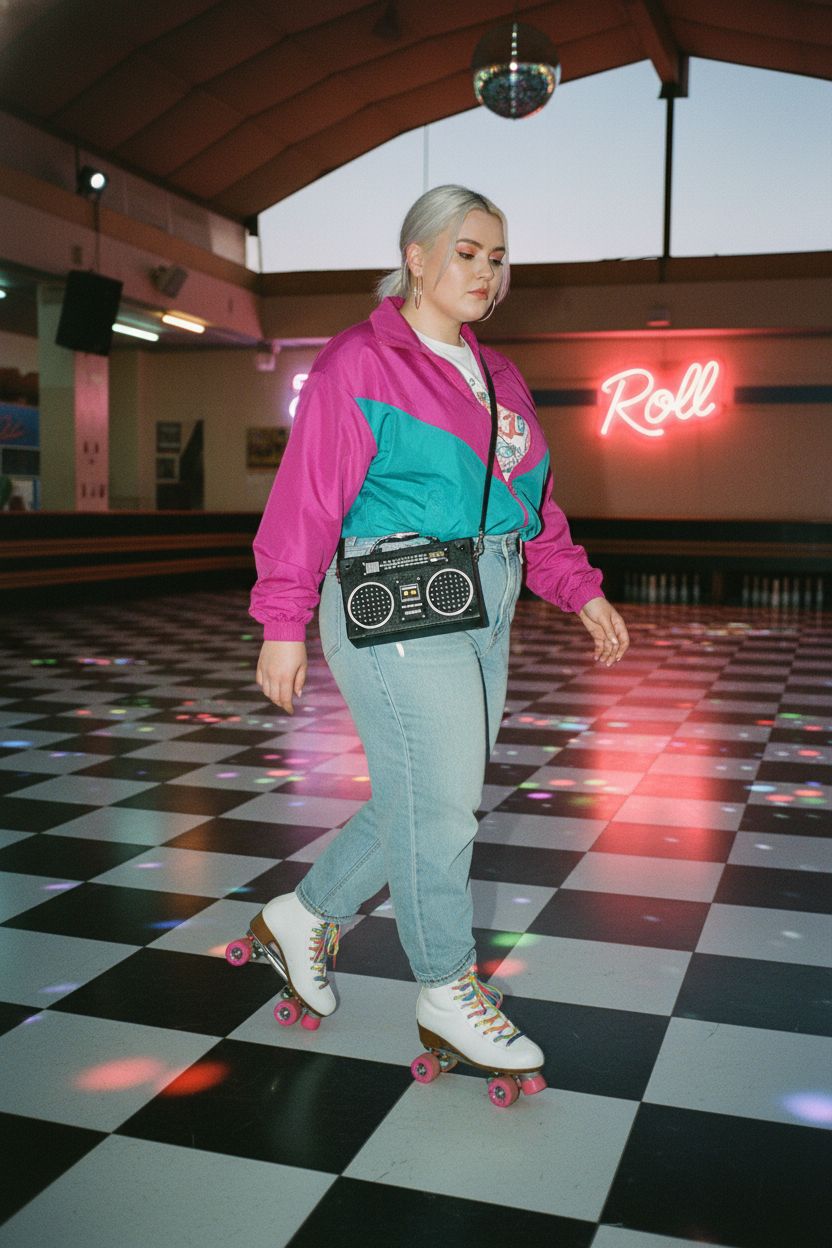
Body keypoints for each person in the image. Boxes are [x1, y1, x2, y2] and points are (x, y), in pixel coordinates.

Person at [245, 185, 629, 1097]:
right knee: (446, 805)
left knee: (426, 795)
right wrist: (282, 623)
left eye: (496, 257)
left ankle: (304, 916)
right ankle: (446, 990)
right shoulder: (360, 363)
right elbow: (306, 499)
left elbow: (528, 503)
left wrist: (577, 587)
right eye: (466, 252)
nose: (486, 272)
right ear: (415, 257)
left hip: (486, 596)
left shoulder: (499, 375)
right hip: (393, 599)